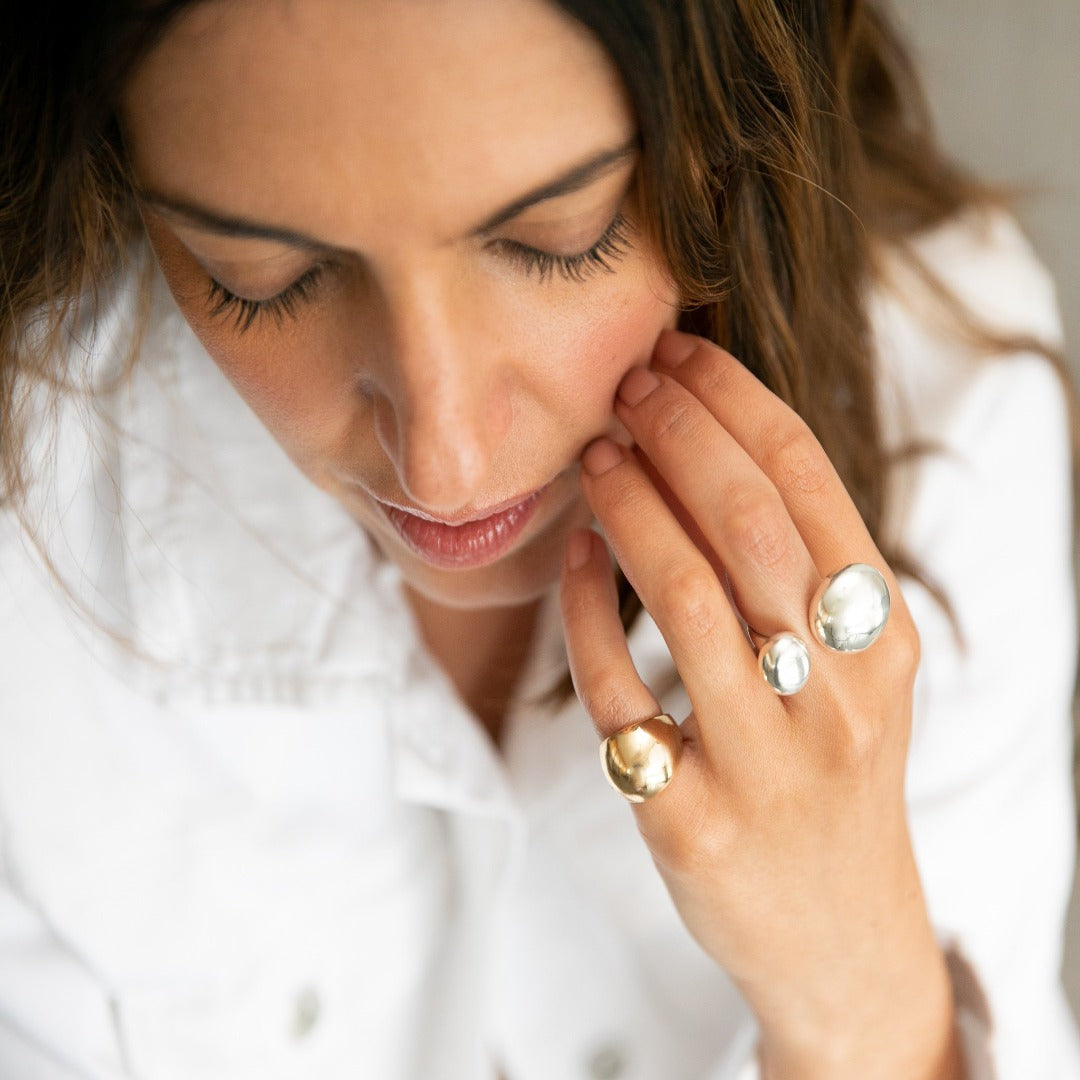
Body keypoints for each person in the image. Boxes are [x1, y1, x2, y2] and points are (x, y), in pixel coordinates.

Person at [1, 1, 1077, 1077]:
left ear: (723, 133)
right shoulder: (35, 498)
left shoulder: (955, 420)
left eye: (555, 238)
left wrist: (854, 986)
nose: (446, 465)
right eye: (260, 275)